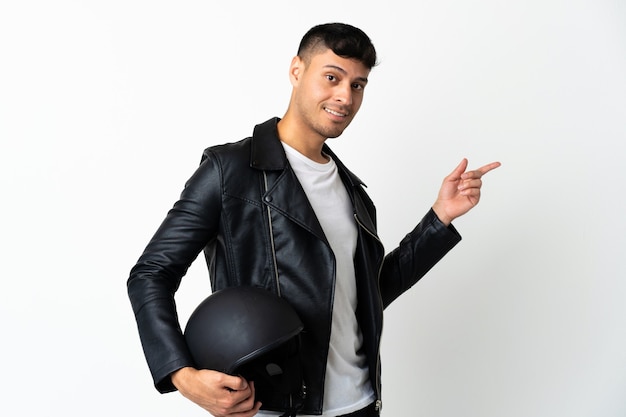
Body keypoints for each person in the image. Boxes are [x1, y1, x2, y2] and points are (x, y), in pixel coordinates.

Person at [127, 22, 500, 417]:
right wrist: (183, 376)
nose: (345, 96)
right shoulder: (229, 171)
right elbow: (151, 272)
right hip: (273, 407)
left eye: (358, 85)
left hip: (360, 404)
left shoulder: (351, 190)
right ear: (296, 71)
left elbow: (369, 294)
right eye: (332, 77)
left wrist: (439, 219)